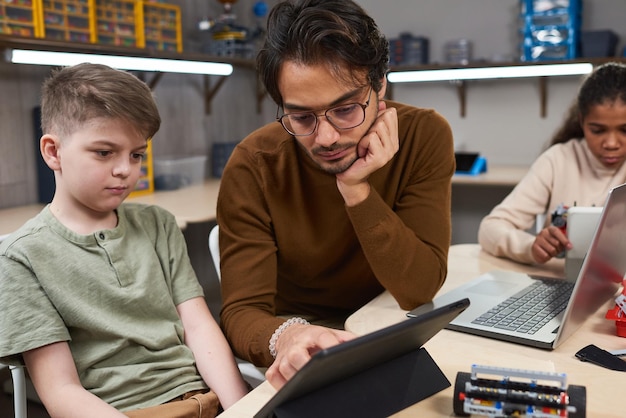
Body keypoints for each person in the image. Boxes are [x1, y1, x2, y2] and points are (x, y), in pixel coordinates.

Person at [216, 0, 455, 389]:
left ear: (380, 85)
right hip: (306, 342)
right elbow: (243, 312)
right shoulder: (254, 163)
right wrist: (290, 335)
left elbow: (418, 290)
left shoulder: (424, 135)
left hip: (391, 324)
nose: (326, 138)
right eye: (302, 117)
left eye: (345, 110)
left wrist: (356, 189)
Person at [0, 63, 248, 417]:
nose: (125, 170)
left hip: (202, 398)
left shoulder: (158, 225)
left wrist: (242, 409)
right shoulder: (21, 258)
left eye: (136, 154)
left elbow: (199, 326)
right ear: (53, 152)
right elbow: (60, 390)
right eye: (104, 152)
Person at [478, 62, 626, 265]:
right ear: (581, 121)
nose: (611, 143)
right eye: (598, 130)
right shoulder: (558, 160)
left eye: (625, 130)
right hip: (560, 282)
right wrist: (529, 247)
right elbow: (491, 228)